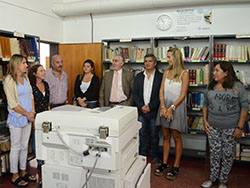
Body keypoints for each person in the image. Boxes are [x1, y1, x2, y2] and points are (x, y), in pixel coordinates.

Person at [201, 61, 249, 188]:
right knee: (214, 154)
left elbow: (244, 107)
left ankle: (223, 181)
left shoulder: (237, 86)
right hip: (213, 127)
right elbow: (205, 105)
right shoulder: (211, 86)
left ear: (226, 72)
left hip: (231, 128)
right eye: (214, 70)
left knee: (227, 155)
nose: (214, 73)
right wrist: (205, 121)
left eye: (217, 70)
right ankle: (213, 179)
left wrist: (239, 127)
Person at [154, 48, 189, 180]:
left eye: (169, 57)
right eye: (167, 57)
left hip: (176, 108)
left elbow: (183, 94)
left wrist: (171, 108)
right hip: (164, 108)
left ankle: (176, 165)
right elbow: (161, 90)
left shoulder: (184, 74)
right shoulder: (166, 72)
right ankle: (164, 163)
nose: (167, 60)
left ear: (176, 58)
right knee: (166, 136)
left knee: (177, 137)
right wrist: (163, 107)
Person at [3, 54, 37, 187]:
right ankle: (14, 175)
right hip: (17, 118)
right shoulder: (9, 80)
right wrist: (27, 114)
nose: (26, 65)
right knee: (16, 147)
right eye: (24, 63)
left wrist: (32, 112)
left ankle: (23, 171)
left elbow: (31, 96)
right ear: (17, 65)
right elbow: (12, 103)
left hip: (28, 117)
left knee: (24, 147)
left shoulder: (26, 78)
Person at [132, 54, 162, 165]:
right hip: (141, 110)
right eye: (145, 61)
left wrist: (150, 106)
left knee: (154, 134)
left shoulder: (160, 77)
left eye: (150, 61)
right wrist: (141, 106)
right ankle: (142, 155)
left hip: (154, 111)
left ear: (155, 63)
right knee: (142, 133)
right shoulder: (139, 76)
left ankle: (155, 156)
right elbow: (135, 94)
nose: (147, 63)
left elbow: (161, 95)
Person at [28, 64, 50, 170]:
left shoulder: (46, 84)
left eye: (44, 70)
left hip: (46, 116)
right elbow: (31, 103)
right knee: (37, 139)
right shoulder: (31, 86)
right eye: (41, 71)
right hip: (36, 117)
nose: (44, 73)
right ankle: (40, 161)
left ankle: (47, 160)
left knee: (46, 138)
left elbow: (47, 102)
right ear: (34, 74)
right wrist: (33, 122)